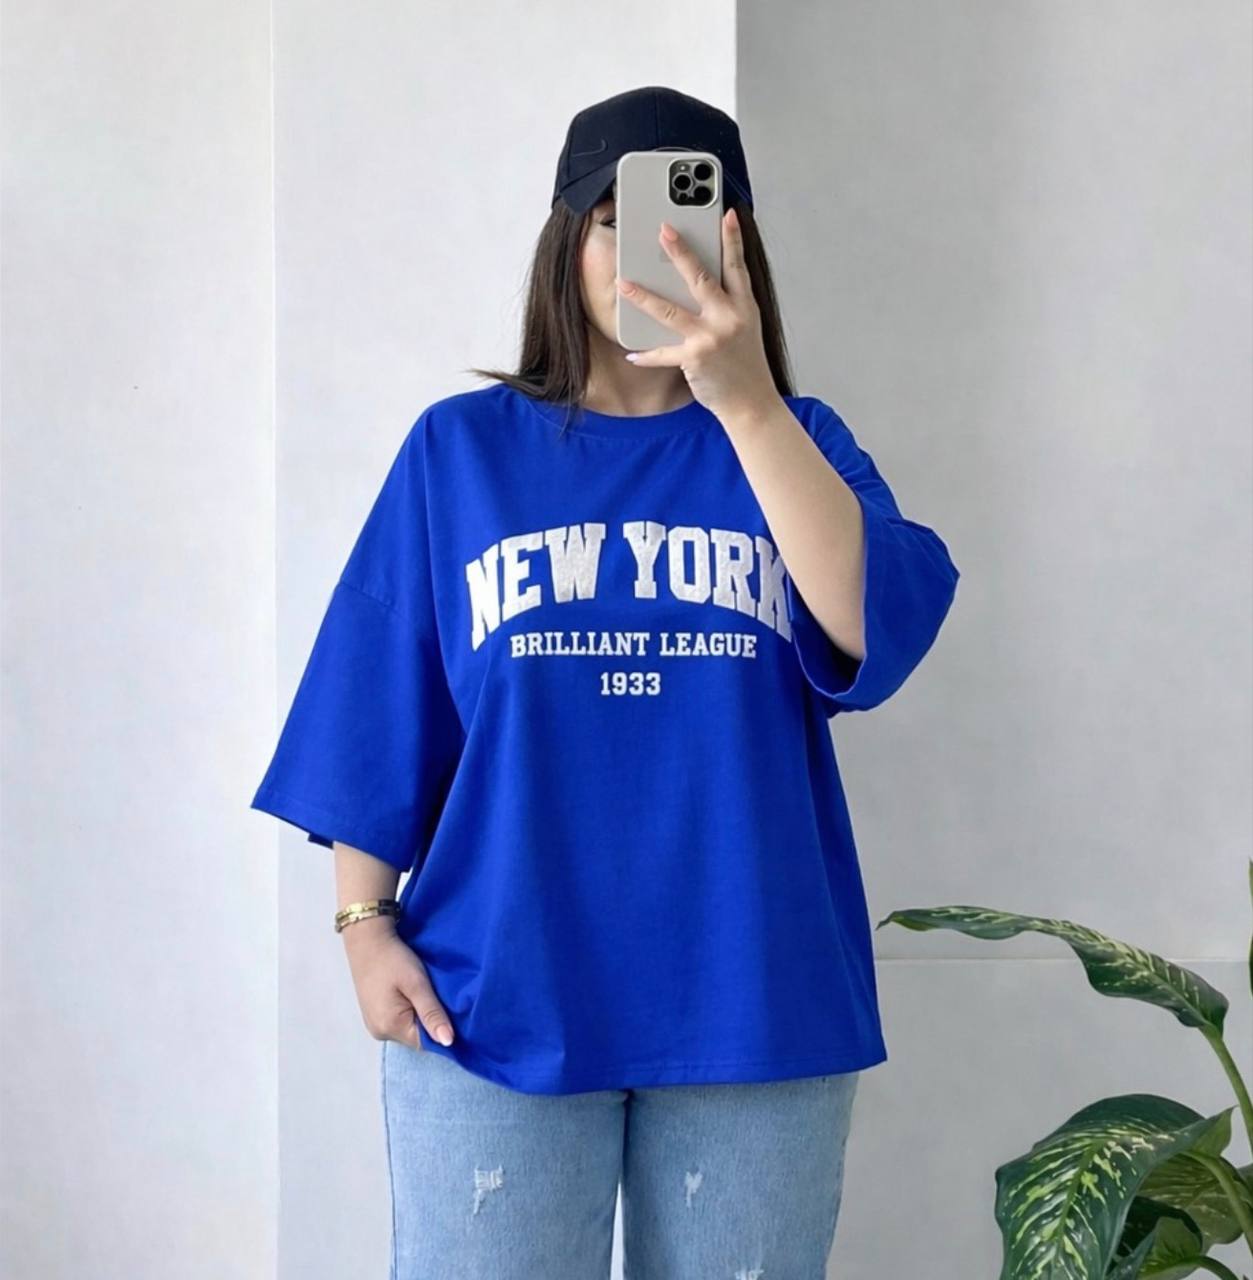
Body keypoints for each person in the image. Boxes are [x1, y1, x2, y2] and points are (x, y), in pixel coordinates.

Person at [250, 85, 960, 1279]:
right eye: (621, 225)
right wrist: (362, 924)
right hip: (492, 994)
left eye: (696, 228)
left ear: (741, 253)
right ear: (566, 242)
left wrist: (744, 402)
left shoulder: (797, 443)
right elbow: (378, 694)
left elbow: (871, 622)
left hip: (753, 993)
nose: (657, 256)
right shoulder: (459, 452)